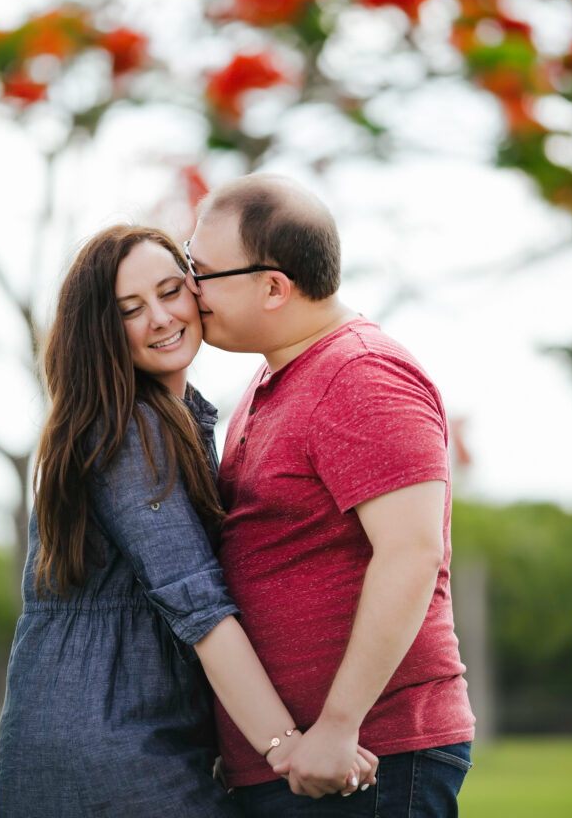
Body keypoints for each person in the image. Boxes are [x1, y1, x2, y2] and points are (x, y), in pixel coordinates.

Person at [0, 225, 375, 818]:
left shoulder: (178, 422)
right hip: (112, 746)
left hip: (120, 737)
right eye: (130, 310)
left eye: (171, 291)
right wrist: (286, 747)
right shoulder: (126, 431)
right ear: (101, 330)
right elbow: (198, 605)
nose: (161, 318)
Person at [184, 174, 476, 817]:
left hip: (368, 761)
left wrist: (339, 728)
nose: (188, 288)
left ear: (272, 286)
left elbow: (410, 554)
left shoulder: (361, 373)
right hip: (302, 764)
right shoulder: (277, 376)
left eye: (200, 271)